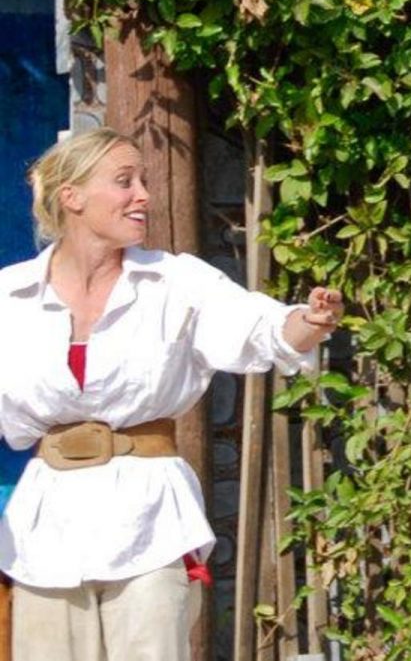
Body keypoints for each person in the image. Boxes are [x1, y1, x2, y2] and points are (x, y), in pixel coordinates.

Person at [0, 128, 343, 660]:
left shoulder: (176, 284)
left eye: (142, 180)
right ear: (72, 196)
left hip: (148, 519)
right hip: (45, 529)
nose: (144, 194)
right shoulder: (10, 298)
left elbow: (260, 328)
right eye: (124, 182)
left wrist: (308, 320)